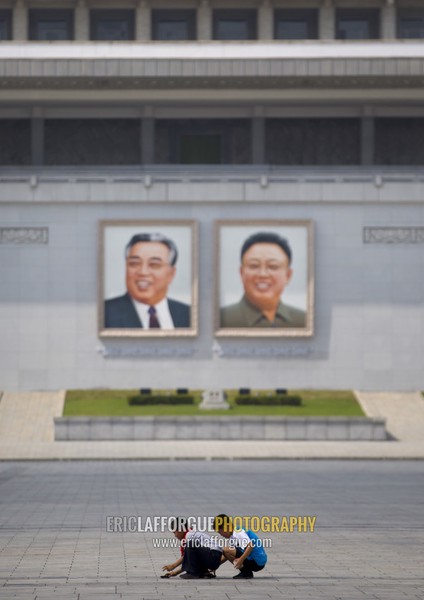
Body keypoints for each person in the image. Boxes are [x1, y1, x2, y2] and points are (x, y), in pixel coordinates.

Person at [220, 231, 306, 328]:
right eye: (254, 266)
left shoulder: (304, 320)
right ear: (241, 273)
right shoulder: (221, 320)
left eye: (273, 266)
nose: (262, 274)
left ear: (288, 275)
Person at [105, 233, 190, 329]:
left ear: (171, 274)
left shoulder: (189, 315)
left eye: (154, 264)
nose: (143, 272)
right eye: (134, 263)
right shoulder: (104, 313)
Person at [214, 514, 268, 579]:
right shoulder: (233, 536)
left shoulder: (238, 532)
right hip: (256, 561)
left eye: (220, 532)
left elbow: (251, 546)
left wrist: (241, 559)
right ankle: (246, 572)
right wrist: (214, 565)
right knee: (226, 551)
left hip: (257, 561)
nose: (221, 535)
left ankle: (246, 572)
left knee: (226, 549)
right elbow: (226, 555)